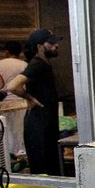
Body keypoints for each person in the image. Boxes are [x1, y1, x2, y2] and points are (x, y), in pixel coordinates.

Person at [6, 28, 63, 176]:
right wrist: (29, 97)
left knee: (52, 169)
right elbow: (12, 86)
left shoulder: (44, 65)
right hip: (39, 128)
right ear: (39, 47)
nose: (56, 45)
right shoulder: (36, 65)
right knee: (44, 172)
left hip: (46, 125)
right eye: (51, 43)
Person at [0, 41, 28, 159]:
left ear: (7, 52)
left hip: (1, 104)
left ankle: (6, 157)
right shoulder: (24, 65)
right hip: (20, 103)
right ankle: (20, 155)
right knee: (19, 133)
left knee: (3, 133)